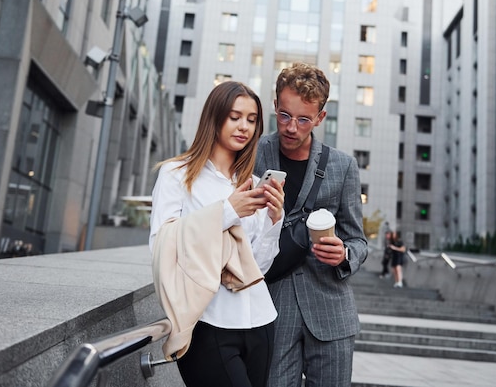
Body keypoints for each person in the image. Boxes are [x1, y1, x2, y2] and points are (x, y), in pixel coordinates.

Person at [150, 81, 285, 387]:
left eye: (252, 120)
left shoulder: (252, 185)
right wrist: (227, 211)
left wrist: (274, 220)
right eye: (235, 116)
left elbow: (257, 268)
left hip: (260, 320)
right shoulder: (176, 175)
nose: (244, 127)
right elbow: (161, 246)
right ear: (215, 117)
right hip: (207, 321)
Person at [254, 62, 368, 387]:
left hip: (331, 309)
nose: (292, 127)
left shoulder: (343, 166)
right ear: (275, 105)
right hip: (271, 309)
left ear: (320, 118)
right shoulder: (253, 154)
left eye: (304, 119)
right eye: (285, 115)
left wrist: (344, 254)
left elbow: (359, 241)